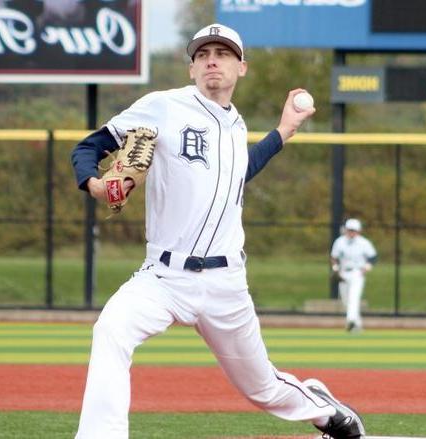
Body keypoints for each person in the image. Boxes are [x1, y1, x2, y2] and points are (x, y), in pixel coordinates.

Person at [71, 23, 366, 439]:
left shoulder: (236, 124)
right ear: (191, 68)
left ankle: (324, 410)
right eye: (203, 54)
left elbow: (240, 173)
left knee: (261, 387)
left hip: (226, 282)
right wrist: (94, 183)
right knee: (111, 330)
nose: (212, 59)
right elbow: (87, 147)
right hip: (163, 276)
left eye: (223, 53)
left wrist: (284, 132)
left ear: (241, 68)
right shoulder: (162, 106)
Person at [330, 218, 377, 332]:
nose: (351, 232)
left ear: (358, 231)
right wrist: (335, 269)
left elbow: (373, 257)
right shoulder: (340, 241)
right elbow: (334, 257)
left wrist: (366, 268)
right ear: (346, 229)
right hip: (343, 272)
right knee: (346, 301)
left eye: (353, 230)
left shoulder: (364, 242)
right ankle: (357, 325)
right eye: (349, 230)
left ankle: (350, 320)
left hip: (357, 273)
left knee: (353, 298)